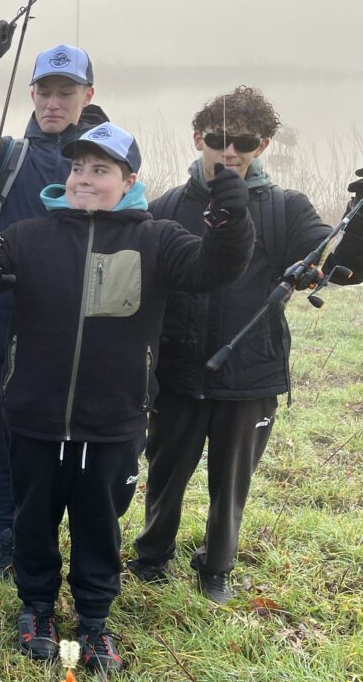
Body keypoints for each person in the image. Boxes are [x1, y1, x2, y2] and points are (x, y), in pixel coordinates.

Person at [0, 123, 254, 672]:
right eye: (77, 168)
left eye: (100, 170)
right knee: (33, 519)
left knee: (100, 524)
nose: (83, 179)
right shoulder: (29, 234)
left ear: (128, 179)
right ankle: (36, 609)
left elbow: (215, 267)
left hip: (113, 421)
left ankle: (93, 620)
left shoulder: (157, 238)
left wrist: (233, 218)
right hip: (35, 418)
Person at [127, 87, 363, 603]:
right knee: (165, 473)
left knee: (230, 484)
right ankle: (151, 556)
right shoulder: (166, 205)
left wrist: (359, 217)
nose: (229, 152)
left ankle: (216, 567)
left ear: (264, 145)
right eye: (218, 139)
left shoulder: (287, 209)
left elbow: (342, 265)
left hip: (250, 374)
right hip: (178, 373)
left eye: (244, 142)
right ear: (198, 139)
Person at [0, 27, 108, 580]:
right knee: (4, 440)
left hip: (82, 332)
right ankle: (6, 536)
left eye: (67, 92)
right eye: (45, 92)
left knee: (78, 438)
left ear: (87, 93)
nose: (55, 103)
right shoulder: (1, 157)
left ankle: (76, 538)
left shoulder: (108, 159)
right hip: (5, 329)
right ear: (31, 94)